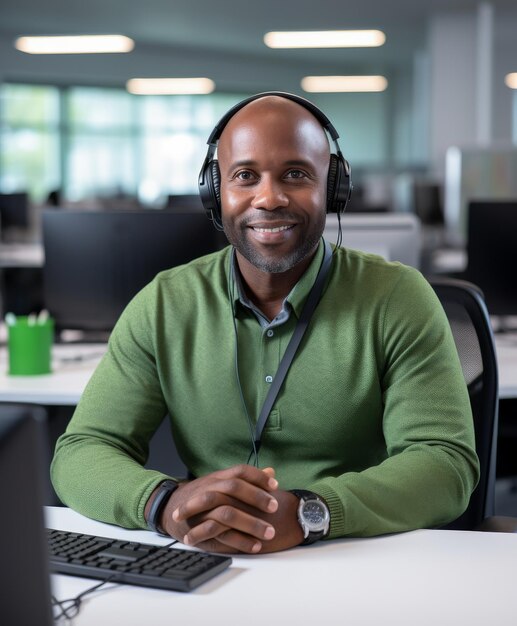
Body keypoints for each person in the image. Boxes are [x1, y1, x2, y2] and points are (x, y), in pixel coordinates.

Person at [51, 92, 479, 555]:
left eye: (295, 174)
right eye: (245, 176)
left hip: (354, 554)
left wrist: (309, 512)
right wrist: (168, 503)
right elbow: (81, 452)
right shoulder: (166, 303)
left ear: (331, 189)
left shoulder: (396, 297)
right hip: (209, 555)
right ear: (216, 191)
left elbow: (445, 464)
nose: (269, 197)